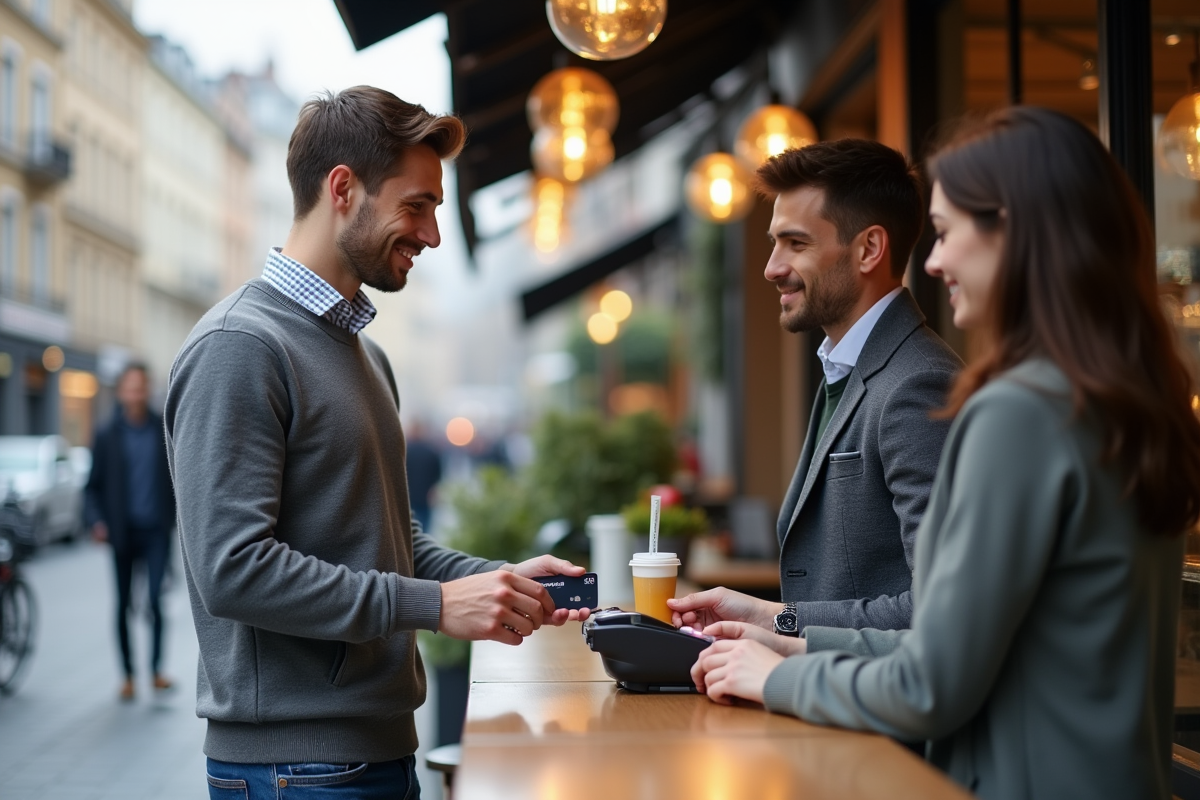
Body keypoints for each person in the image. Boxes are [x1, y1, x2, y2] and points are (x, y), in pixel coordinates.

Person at [690, 107, 1200, 800]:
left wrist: (776, 675)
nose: (931, 261)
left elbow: (933, 681)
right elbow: (983, 644)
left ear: (1017, 233)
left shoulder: (1018, 411)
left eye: (946, 233)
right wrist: (783, 636)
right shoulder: (1123, 397)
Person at [165, 87, 589, 799]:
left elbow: (389, 539)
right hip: (294, 770)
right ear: (343, 188)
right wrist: (432, 606)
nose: (431, 236)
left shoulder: (367, 356)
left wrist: (502, 582)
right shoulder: (240, 346)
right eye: (417, 205)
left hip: (375, 752)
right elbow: (232, 569)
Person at [670, 139, 962, 637]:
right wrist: (762, 615)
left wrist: (781, 622)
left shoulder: (919, 384)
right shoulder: (847, 367)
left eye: (796, 243)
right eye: (774, 242)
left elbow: (940, 610)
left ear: (869, 248)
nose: (772, 267)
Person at [85, 362, 176, 701]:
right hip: (122, 533)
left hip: (155, 531)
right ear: (121, 392)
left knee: (154, 600)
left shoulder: (161, 428)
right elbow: (92, 487)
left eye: (141, 387)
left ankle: (155, 671)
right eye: (130, 387)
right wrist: (97, 521)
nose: (136, 393)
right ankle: (127, 675)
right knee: (123, 604)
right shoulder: (108, 434)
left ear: (147, 390)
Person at [403, 420, 442, 533]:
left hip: (408, 496)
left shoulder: (405, 450)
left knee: (408, 531)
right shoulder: (431, 451)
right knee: (424, 530)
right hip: (425, 497)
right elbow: (438, 475)